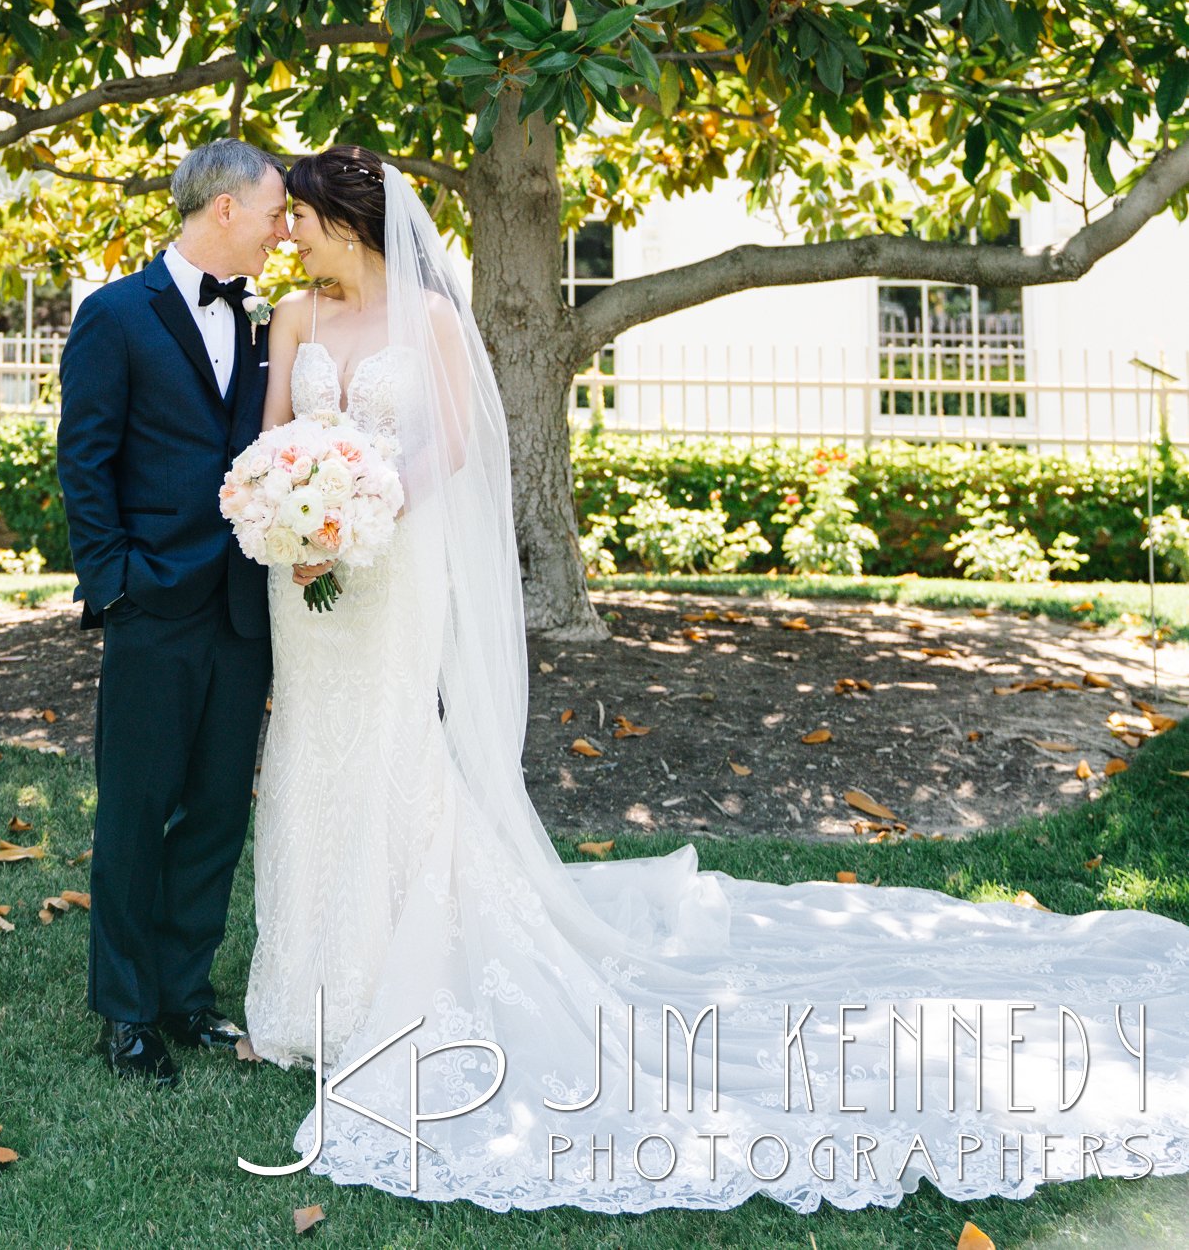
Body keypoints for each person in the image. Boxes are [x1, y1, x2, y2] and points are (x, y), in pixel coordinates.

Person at [241, 144, 1189, 1217]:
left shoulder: (438, 324)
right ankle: (300, 994)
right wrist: (292, 517)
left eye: (303, 220)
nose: (290, 236)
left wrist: (358, 516)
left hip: (389, 562)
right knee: (308, 744)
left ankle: (381, 979)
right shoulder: (292, 319)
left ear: (351, 222)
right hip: (305, 575)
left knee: (390, 743)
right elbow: (277, 434)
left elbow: (451, 444)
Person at [57, 136, 287, 1087]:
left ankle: (184, 991)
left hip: (244, 608)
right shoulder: (115, 313)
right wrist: (112, 583)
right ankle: (123, 1009)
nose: (284, 230)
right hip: (151, 602)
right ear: (223, 209)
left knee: (215, 814)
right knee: (136, 810)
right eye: (274, 212)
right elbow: (84, 459)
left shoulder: (271, 324)